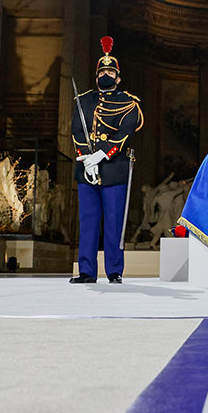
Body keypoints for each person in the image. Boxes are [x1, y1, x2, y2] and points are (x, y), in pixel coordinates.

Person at [69, 37, 144, 284]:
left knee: (113, 222)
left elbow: (125, 133)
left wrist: (101, 155)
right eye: (103, 71)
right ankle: (87, 271)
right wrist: (85, 159)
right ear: (97, 74)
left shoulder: (129, 104)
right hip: (86, 169)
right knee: (88, 222)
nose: (106, 74)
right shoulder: (82, 101)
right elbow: (77, 131)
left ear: (118, 77)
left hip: (114, 169)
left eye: (111, 71)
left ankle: (114, 270)